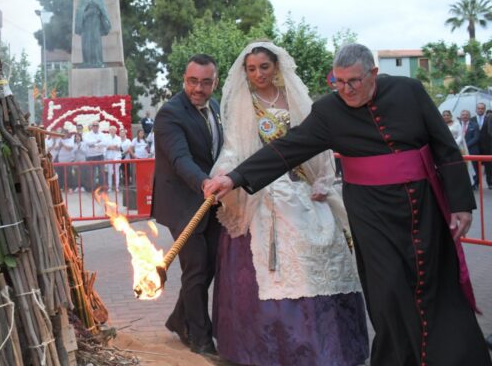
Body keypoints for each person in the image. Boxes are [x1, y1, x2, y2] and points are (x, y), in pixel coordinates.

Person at [205, 43, 491, 366]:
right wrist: (235, 178)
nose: (346, 90)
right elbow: (287, 149)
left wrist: (461, 204)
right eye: (338, 82)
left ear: (374, 74)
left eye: (354, 81)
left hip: (422, 205)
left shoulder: (409, 91)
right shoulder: (329, 111)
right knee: (389, 292)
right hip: (371, 215)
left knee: (434, 283)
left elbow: (445, 146)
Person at [211, 42, 369, 365]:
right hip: (263, 189)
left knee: (325, 256)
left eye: (264, 67)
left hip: (304, 187)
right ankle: (275, 348)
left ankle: (329, 345)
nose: (258, 75)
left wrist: (324, 179)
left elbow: (319, 143)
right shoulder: (245, 105)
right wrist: (227, 176)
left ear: (277, 67)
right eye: (252, 69)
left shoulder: (295, 100)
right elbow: (234, 148)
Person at [151, 53, 223, 355]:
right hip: (181, 204)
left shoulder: (216, 108)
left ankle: (180, 320)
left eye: (206, 82)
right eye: (193, 81)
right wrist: (204, 182)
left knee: (210, 268)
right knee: (196, 270)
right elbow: (181, 159)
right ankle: (200, 338)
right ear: (184, 78)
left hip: (211, 203)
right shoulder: (169, 113)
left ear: (214, 83)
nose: (198, 88)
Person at [461, 109, 481, 189]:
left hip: (472, 149)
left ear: (469, 116)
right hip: (461, 150)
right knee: (463, 167)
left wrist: (466, 146)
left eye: (466, 114)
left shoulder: (475, 125)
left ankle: (475, 184)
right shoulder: (457, 125)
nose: (465, 116)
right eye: (463, 114)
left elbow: (476, 138)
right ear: (460, 116)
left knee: (474, 167)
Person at [83, 122, 105, 191]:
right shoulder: (87, 134)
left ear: (98, 127)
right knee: (91, 173)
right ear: (92, 127)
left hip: (100, 155)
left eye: (97, 125)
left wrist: (94, 145)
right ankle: (91, 188)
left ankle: (101, 188)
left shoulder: (102, 134)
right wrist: (97, 141)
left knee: (101, 172)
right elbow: (87, 142)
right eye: (94, 125)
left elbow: (104, 143)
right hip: (90, 156)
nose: (95, 127)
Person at [103, 126, 122, 192]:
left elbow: (118, 146)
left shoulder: (118, 138)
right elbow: (106, 147)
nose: (112, 131)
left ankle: (117, 187)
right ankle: (110, 187)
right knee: (110, 172)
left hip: (116, 157)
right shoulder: (106, 138)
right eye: (111, 130)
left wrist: (111, 147)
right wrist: (113, 147)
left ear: (115, 131)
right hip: (109, 157)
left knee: (117, 172)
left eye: (113, 130)